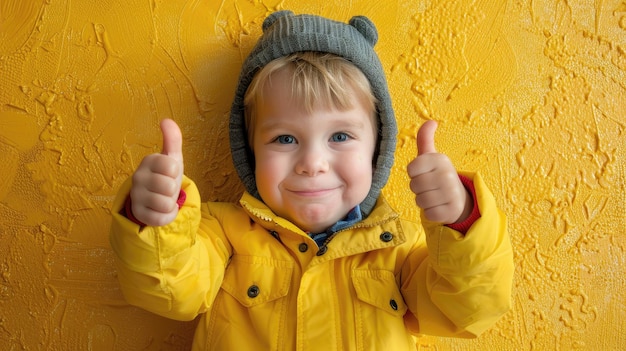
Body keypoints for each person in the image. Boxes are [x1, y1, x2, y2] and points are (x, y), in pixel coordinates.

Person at [109, 10, 513, 350]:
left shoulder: (403, 251)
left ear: (378, 150)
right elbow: (170, 291)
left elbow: (468, 309)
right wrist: (157, 221)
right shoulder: (220, 235)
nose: (312, 163)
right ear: (250, 151)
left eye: (340, 136)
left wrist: (459, 220)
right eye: (285, 138)